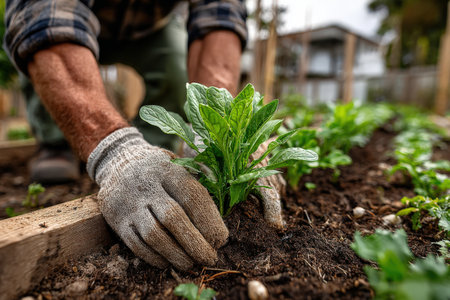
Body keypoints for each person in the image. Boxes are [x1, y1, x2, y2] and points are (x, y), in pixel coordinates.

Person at [4, 0, 284, 271]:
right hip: (64, 20)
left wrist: (216, 129)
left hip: (149, 29)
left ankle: (153, 146)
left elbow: (220, 14)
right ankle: (54, 143)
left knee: (177, 74)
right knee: (37, 50)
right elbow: (42, 18)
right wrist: (115, 151)